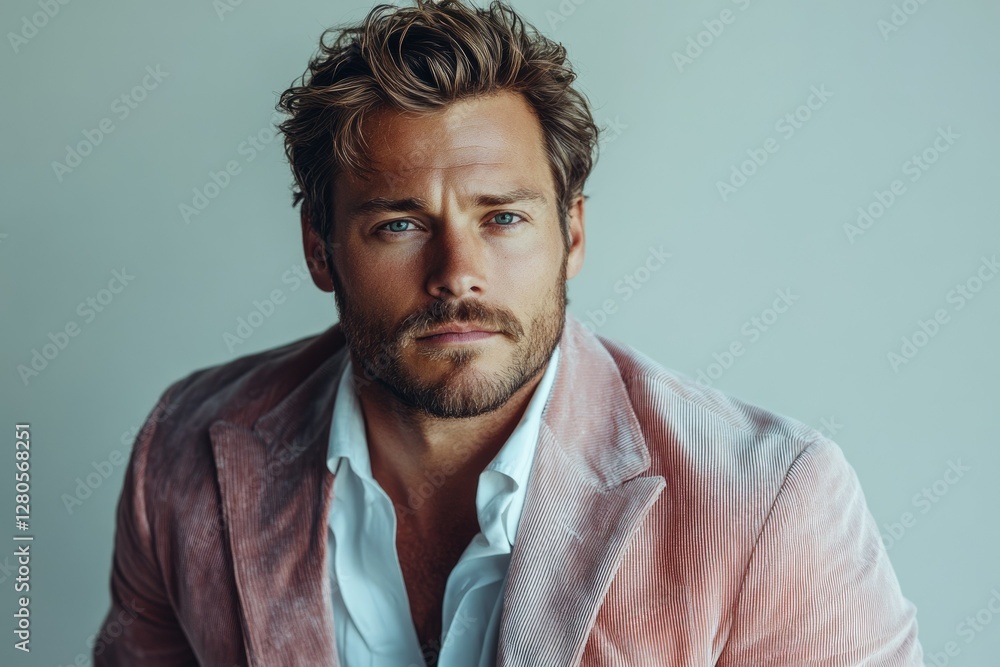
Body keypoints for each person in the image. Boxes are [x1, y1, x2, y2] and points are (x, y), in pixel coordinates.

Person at [94, 1, 924, 665]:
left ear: (572, 234)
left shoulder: (772, 501)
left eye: (504, 217)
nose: (458, 270)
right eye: (399, 224)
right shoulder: (184, 453)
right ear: (320, 248)